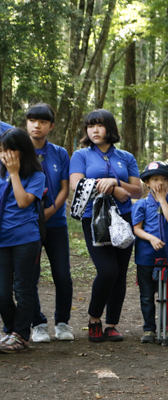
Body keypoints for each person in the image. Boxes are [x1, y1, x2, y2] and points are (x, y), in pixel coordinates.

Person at [69, 109, 142, 342]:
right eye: (90, 126)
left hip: (124, 218)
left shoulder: (126, 157)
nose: (95, 130)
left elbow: (138, 190)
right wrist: (112, 188)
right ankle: (93, 319)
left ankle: (111, 325)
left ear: (110, 128)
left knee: (120, 273)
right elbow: (76, 185)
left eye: (99, 125)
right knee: (107, 270)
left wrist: (116, 181)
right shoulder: (80, 156)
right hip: (95, 218)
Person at [25, 103, 74, 343]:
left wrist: (50, 211)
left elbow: (65, 188)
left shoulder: (60, 153)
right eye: (33, 120)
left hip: (55, 223)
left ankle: (62, 322)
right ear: (26, 123)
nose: (37, 125)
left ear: (51, 126)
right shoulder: (18, 151)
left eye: (43, 122)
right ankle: (38, 324)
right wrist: (34, 217)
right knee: (29, 277)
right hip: (27, 225)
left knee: (62, 275)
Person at [0, 128, 45, 353]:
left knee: (23, 288)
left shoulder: (36, 176)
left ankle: (20, 335)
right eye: (2, 151)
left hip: (25, 239)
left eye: (10, 150)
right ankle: (10, 330)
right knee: (2, 291)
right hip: (2, 240)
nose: (5, 155)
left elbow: (22, 202)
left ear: (22, 151)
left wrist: (14, 173)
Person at [132, 161, 168, 344]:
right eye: (154, 179)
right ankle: (149, 328)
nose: (159, 183)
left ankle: (165, 328)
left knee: (167, 296)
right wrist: (151, 238)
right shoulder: (142, 204)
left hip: (167, 257)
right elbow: (137, 229)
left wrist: (162, 200)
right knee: (146, 295)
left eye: (163, 179)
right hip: (145, 257)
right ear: (147, 183)